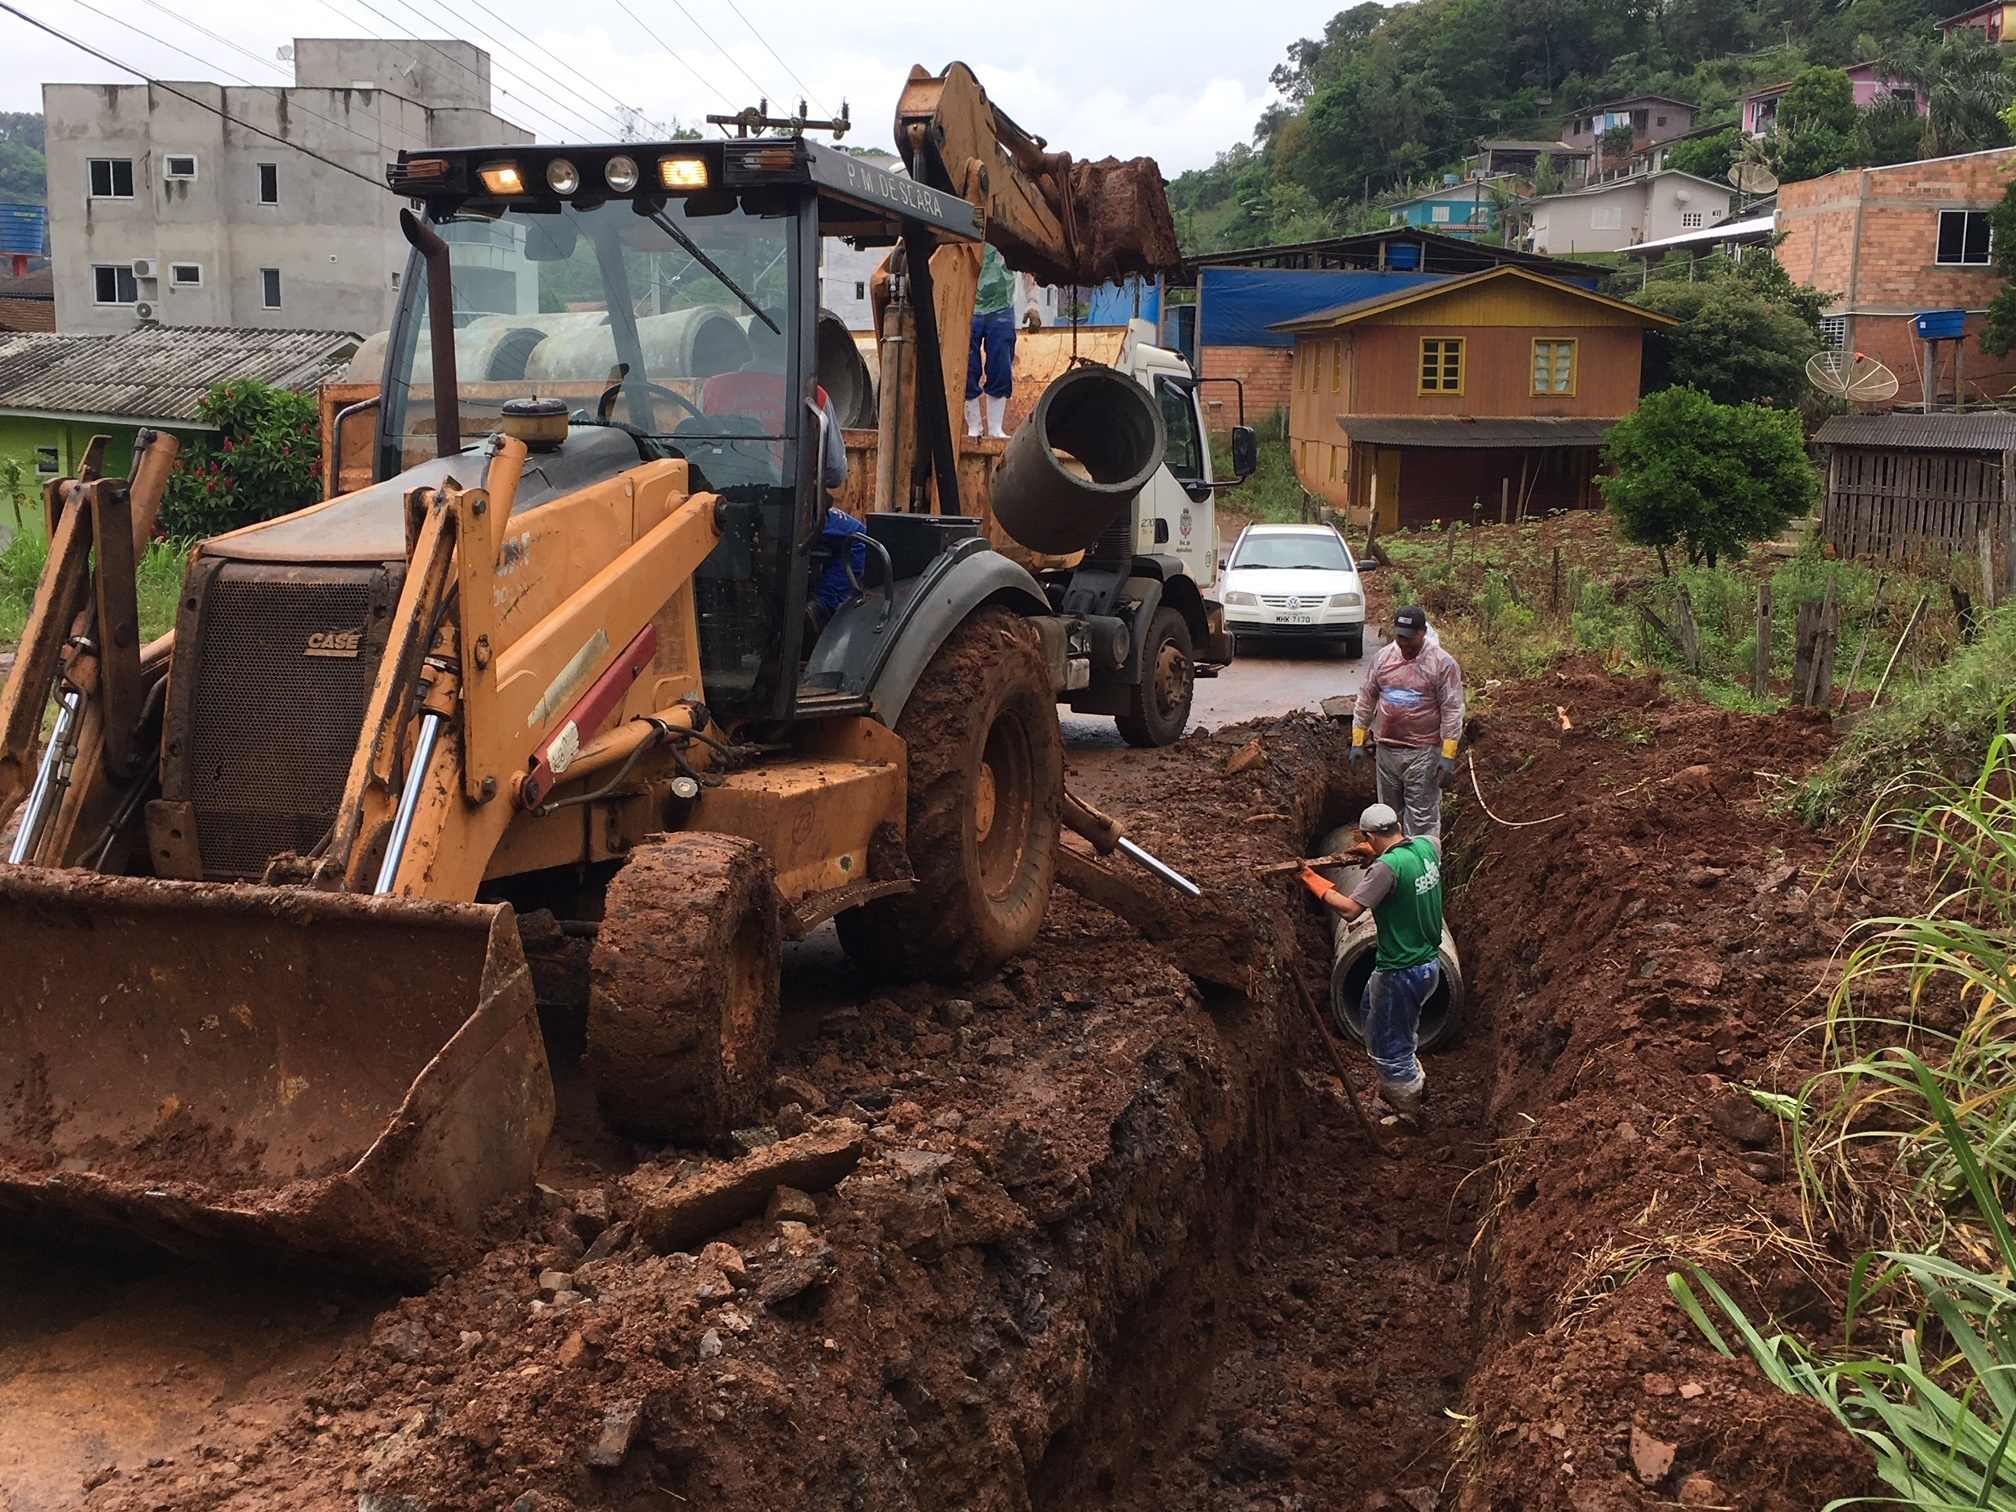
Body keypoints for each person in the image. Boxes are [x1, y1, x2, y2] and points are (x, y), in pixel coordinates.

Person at [1299, 803, 1444, 1124]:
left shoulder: (1387, 868)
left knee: (1389, 1044)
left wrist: (1316, 883)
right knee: (1373, 1011)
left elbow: (1351, 910)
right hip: (1428, 963)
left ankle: (1407, 1109)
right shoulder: (1425, 846)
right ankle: (1410, 1077)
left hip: (1402, 968)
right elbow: (1422, 847)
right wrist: (1377, 853)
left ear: (1369, 835)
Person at [1349, 604, 1464, 842]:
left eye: (1410, 637)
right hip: (1387, 750)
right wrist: (1358, 740)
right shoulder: (1383, 659)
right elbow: (1367, 698)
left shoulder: (1441, 664)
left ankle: (1423, 868)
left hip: (1423, 752)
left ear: (1423, 631)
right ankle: (1394, 868)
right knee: (1388, 817)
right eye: (1399, 636)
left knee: (1421, 818)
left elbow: (1452, 709)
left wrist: (1448, 755)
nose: (1404, 643)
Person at [965, 244, 1039, 439]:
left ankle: (995, 428)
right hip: (966, 303)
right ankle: (974, 426)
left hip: (1002, 306)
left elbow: (1027, 265)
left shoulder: (1007, 230)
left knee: (1001, 362)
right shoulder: (964, 225)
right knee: (965, 364)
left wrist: (1032, 303)